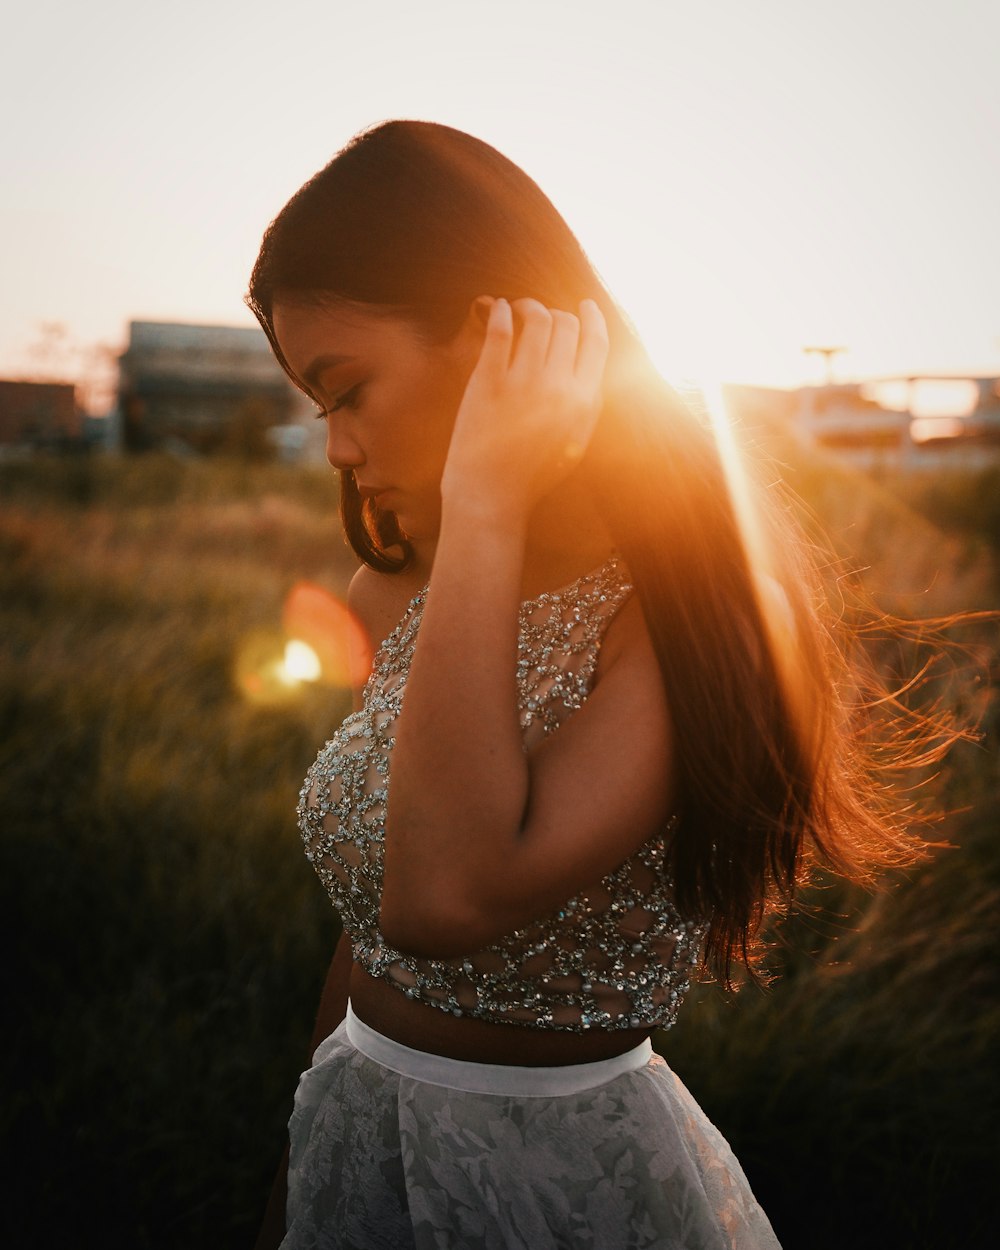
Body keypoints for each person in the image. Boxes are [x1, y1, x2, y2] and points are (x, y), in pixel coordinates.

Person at [247, 120, 932, 1249]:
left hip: (564, 1187)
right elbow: (372, 937)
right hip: (361, 1139)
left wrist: (485, 508)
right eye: (320, 408)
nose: (337, 447)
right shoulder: (395, 589)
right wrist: (306, 1155)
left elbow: (442, 896)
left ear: (490, 340)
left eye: (348, 388)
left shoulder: (693, 618)